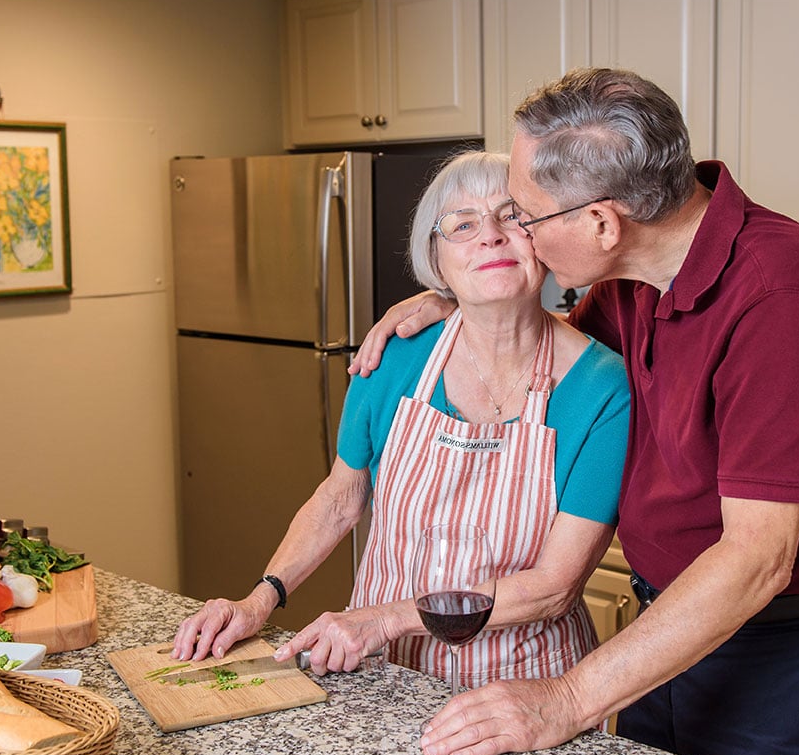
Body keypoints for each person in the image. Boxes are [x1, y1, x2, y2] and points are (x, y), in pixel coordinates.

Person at [351, 69, 799, 755]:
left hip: (786, 660)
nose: (517, 236)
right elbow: (541, 336)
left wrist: (563, 701)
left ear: (603, 220)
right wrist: (447, 299)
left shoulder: (781, 298)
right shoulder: (632, 277)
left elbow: (755, 560)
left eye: (526, 216)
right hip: (668, 632)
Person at [173, 150, 630, 691]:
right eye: (462, 224)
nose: (490, 236)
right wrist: (259, 600)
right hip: (386, 675)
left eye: (512, 216)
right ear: (437, 262)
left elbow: (554, 586)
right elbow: (340, 498)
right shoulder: (393, 356)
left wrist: (385, 618)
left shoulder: (603, 386)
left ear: (545, 238)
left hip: (527, 684)